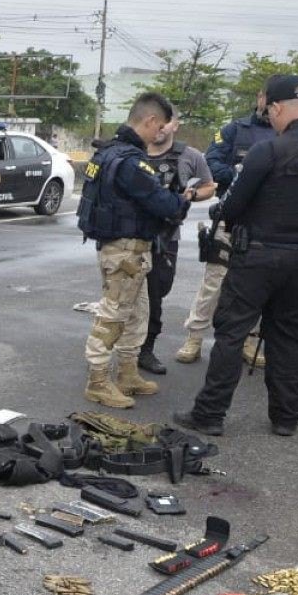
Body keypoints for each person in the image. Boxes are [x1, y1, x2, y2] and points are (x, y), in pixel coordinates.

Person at [173, 75, 298, 438]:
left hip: (258, 256)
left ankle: (210, 414)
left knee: (231, 334)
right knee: (292, 339)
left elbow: (233, 207)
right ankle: (287, 417)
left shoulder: (268, 150)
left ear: (277, 107)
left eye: (270, 111)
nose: (269, 118)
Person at [78, 92, 215, 408]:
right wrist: (183, 198)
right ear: (151, 120)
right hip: (125, 250)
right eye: (161, 127)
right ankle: (97, 381)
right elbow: (165, 204)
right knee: (113, 315)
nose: (161, 135)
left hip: (129, 249)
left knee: (138, 313)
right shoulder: (131, 162)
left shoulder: (109, 153)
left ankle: (127, 373)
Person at [175, 90, 275, 365]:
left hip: (267, 222)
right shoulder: (234, 130)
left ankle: (250, 339)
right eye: (265, 97)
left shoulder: (285, 134)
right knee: (214, 282)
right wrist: (244, 175)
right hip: (231, 218)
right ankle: (194, 337)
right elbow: (212, 162)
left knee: (257, 285)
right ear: (259, 97)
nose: (267, 103)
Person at [138, 115, 215, 375]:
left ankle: (145, 348)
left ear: (175, 125)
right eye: (155, 121)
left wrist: (190, 195)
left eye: (166, 122)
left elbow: (209, 187)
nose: (160, 128)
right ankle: (135, 350)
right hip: (132, 236)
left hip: (166, 237)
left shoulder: (189, 155)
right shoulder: (133, 150)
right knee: (126, 296)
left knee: (158, 291)